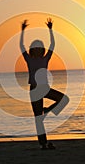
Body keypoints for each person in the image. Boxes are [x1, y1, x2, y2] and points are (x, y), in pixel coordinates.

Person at [20, 18, 69, 150]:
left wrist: (50, 30)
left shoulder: (45, 58)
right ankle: (43, 144)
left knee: (64, 99)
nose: (37, 49)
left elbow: (53, 45)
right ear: (32, 49)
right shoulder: (29, 59)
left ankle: (47, 110)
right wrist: (22, 31)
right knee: (38, 119)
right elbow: (21, 46)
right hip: (35, 89)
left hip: (44, 88)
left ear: (41, 49)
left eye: (39, 47)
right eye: (35, 47)